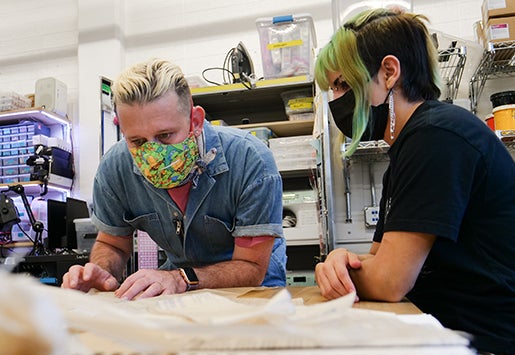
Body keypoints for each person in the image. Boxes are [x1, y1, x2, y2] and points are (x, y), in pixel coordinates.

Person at [314, 8, 515, 355]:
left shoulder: (437, 137)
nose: (337, 100)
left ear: (389, 72)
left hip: (485, 339)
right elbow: (378, 260)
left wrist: (335, 273)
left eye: (343, 84)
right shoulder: (410, 147)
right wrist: (343, 258)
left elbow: (390, 281)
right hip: (449, 328)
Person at [62, 58, 287, 300]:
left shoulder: (250, 160)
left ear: (195, 121)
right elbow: (113, 244)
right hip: (177, 288)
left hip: (251, 289)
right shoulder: (115, 167)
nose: (153, 156)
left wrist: (181, 278)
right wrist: (100, 272)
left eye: (165, 135)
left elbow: (251, 268)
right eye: (137, 141)